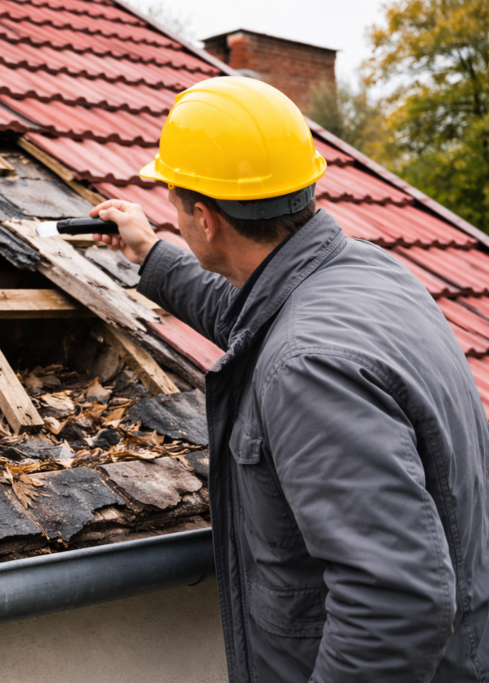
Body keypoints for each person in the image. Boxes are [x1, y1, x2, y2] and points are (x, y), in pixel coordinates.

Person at [92, 77, 489, 681]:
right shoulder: (366, 272)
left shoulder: (307, 367)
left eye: (175, 206)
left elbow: (395, 604)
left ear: (204, 218)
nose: (175, 216)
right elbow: (254, 314)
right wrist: (150, 252)